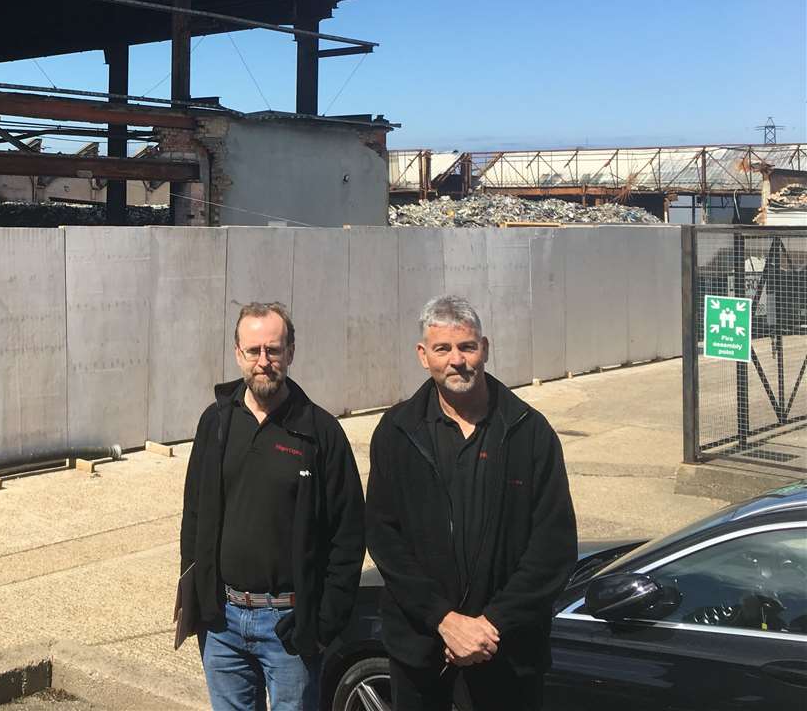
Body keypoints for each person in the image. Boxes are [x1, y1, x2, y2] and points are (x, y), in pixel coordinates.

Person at [366, 295, 577, 711]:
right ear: (423, 356)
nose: (457, 360)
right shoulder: (396, 432)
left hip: (506, 653)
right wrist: (444, 620)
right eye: (443, 349)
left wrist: (489, 625)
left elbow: (553, 547)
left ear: (486, 348)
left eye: (467, 346)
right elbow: (384, 538)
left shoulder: (528, 432)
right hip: (421, 654)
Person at [180, 302, 365, 711]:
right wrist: (197, 599)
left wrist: (322, 624)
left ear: (291, 352)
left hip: (289, 627)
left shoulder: (320, 433)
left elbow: (348, 534)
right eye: (254, 351)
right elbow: (193, 514)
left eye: (274, 350)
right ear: (237, 354)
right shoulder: (216, 423)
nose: (264, 361)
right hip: (222, 623)